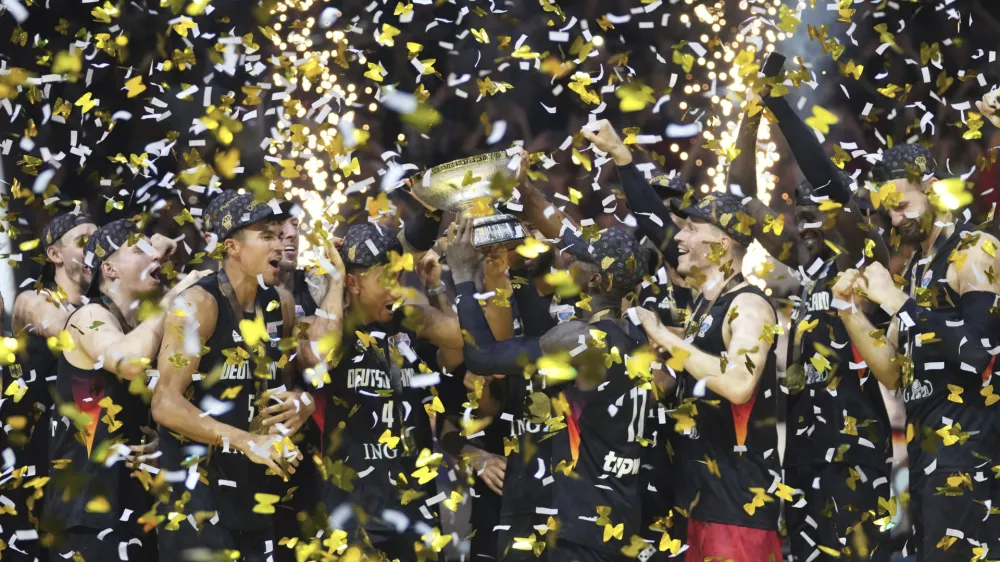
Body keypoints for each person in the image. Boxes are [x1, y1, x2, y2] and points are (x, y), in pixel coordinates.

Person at [448, 216, 656, 562]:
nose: (567, 260)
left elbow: (482, 357)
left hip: (579, 527)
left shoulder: (581, 339)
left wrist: (462, 276)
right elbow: (542, 330)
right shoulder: (637, 336)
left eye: (579, 260)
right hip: (615, 518)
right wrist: (513, 269)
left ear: (596, 280)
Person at [833, 143, 1000, 560]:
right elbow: (892, 372)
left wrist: (896, 301)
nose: (895, 219)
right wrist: (850, 312)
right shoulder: (917, 270)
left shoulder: (974, 250)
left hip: (970, 449)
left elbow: (979, 353)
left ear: (934, 189)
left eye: (902, 205)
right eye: (889, 211)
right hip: (926, 454)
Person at [151, 192, 340, 561]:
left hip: (254, 492)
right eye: (266, 236)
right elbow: (164, 403)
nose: (279, 243)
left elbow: (300, 375)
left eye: (278, 233)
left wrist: (301, 402)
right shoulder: (197, 305)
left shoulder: (279, 303)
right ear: (232, 247)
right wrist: (245, 441)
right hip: (197, 498)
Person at [756, 77, 894, 561]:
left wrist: (779, 107)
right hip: (803, 450)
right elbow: (745, 211)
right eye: (805, 211)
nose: (813, 219)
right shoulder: (807, 278)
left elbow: (828, 182)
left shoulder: (864, 263)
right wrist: (749, 125)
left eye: (825, 210)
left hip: (855, 449)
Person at [44, 217, 205, 561]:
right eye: (138, 250)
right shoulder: (87, 317)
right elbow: (127, 360)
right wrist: (173, 297)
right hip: (86, 516)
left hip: (137, 508)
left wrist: (163, 439)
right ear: (110, 270)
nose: (153, 257)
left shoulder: (150, 324)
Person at [635, 193, 783, 562]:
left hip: (737, 509)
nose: (679, 239)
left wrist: (666, 337)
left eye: (690, 228)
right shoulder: (703, 306)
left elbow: (738, 384)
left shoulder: (749, 306)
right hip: (698, 503)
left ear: (722, 244)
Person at [314, 221, 463, 561]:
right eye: (385, 280)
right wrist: (334, 279)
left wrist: (436, 287)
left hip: (415, 509)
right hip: (351, 514)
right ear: (353, 281)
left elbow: (463, 340)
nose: (396, 290)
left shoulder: (408, 320)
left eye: (398, 278)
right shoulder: (331, 326)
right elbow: (319, 355)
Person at [4, 212, 95, 560]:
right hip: (31, 466)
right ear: (55, 254)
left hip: (82, 474)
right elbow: (64, 328)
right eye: (83, 242)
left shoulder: (107, 311)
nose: (94, 251)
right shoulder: (33, 301)